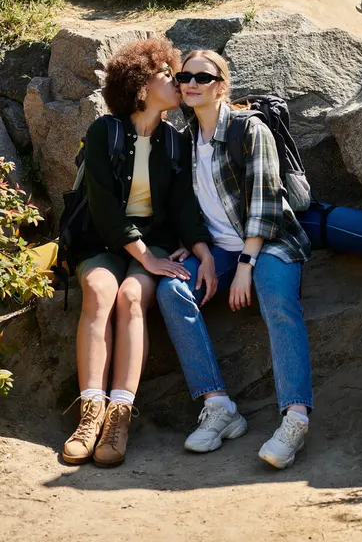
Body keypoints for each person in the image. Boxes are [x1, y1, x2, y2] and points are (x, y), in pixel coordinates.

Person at [157, 50, 313, 470]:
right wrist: (198, 248)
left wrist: (245, 264)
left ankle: (295, 418)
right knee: (171, 287)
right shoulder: (183, 138)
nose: (190, 83)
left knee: (276, 297)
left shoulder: (250, 129)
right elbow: (185, 206)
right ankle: (219, 405)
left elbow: (264, 205)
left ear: (221, 85)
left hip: (271, 241)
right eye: (184, 75)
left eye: (202, 77)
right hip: (219, 250)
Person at [62, 39, 212, 468]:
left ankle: (119, 416)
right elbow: (104, 206)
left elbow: (184, 206)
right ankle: (90, 411)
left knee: (132, 297)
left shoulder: (174, 141)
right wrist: (144, 256)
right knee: (99, 290)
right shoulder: (102, 132)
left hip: (156, 244)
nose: (181, 82)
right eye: (170, 75)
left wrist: (201, 251)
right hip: (103, 241)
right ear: (142, 86)